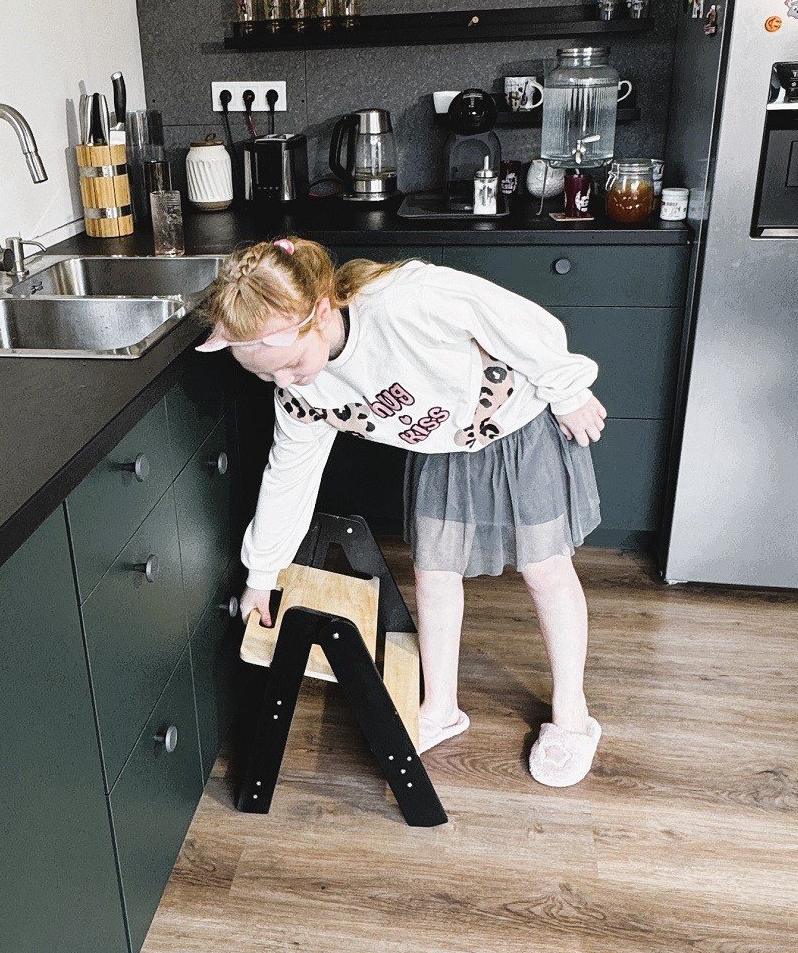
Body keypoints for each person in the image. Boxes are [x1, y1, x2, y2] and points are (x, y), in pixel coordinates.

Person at [196, 236, 607, 787]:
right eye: (265, 376)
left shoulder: (403, 301)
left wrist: (567, 387)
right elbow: (288, 477)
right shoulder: (299, 393)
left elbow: (512, 317)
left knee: (544, 570)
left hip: (517, 426)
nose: (285, 384)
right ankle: (440, 707)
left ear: (321, 311)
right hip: (443, 447)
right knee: (433, 573)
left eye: (290, 366)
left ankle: (573, 717)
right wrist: (262, 574)